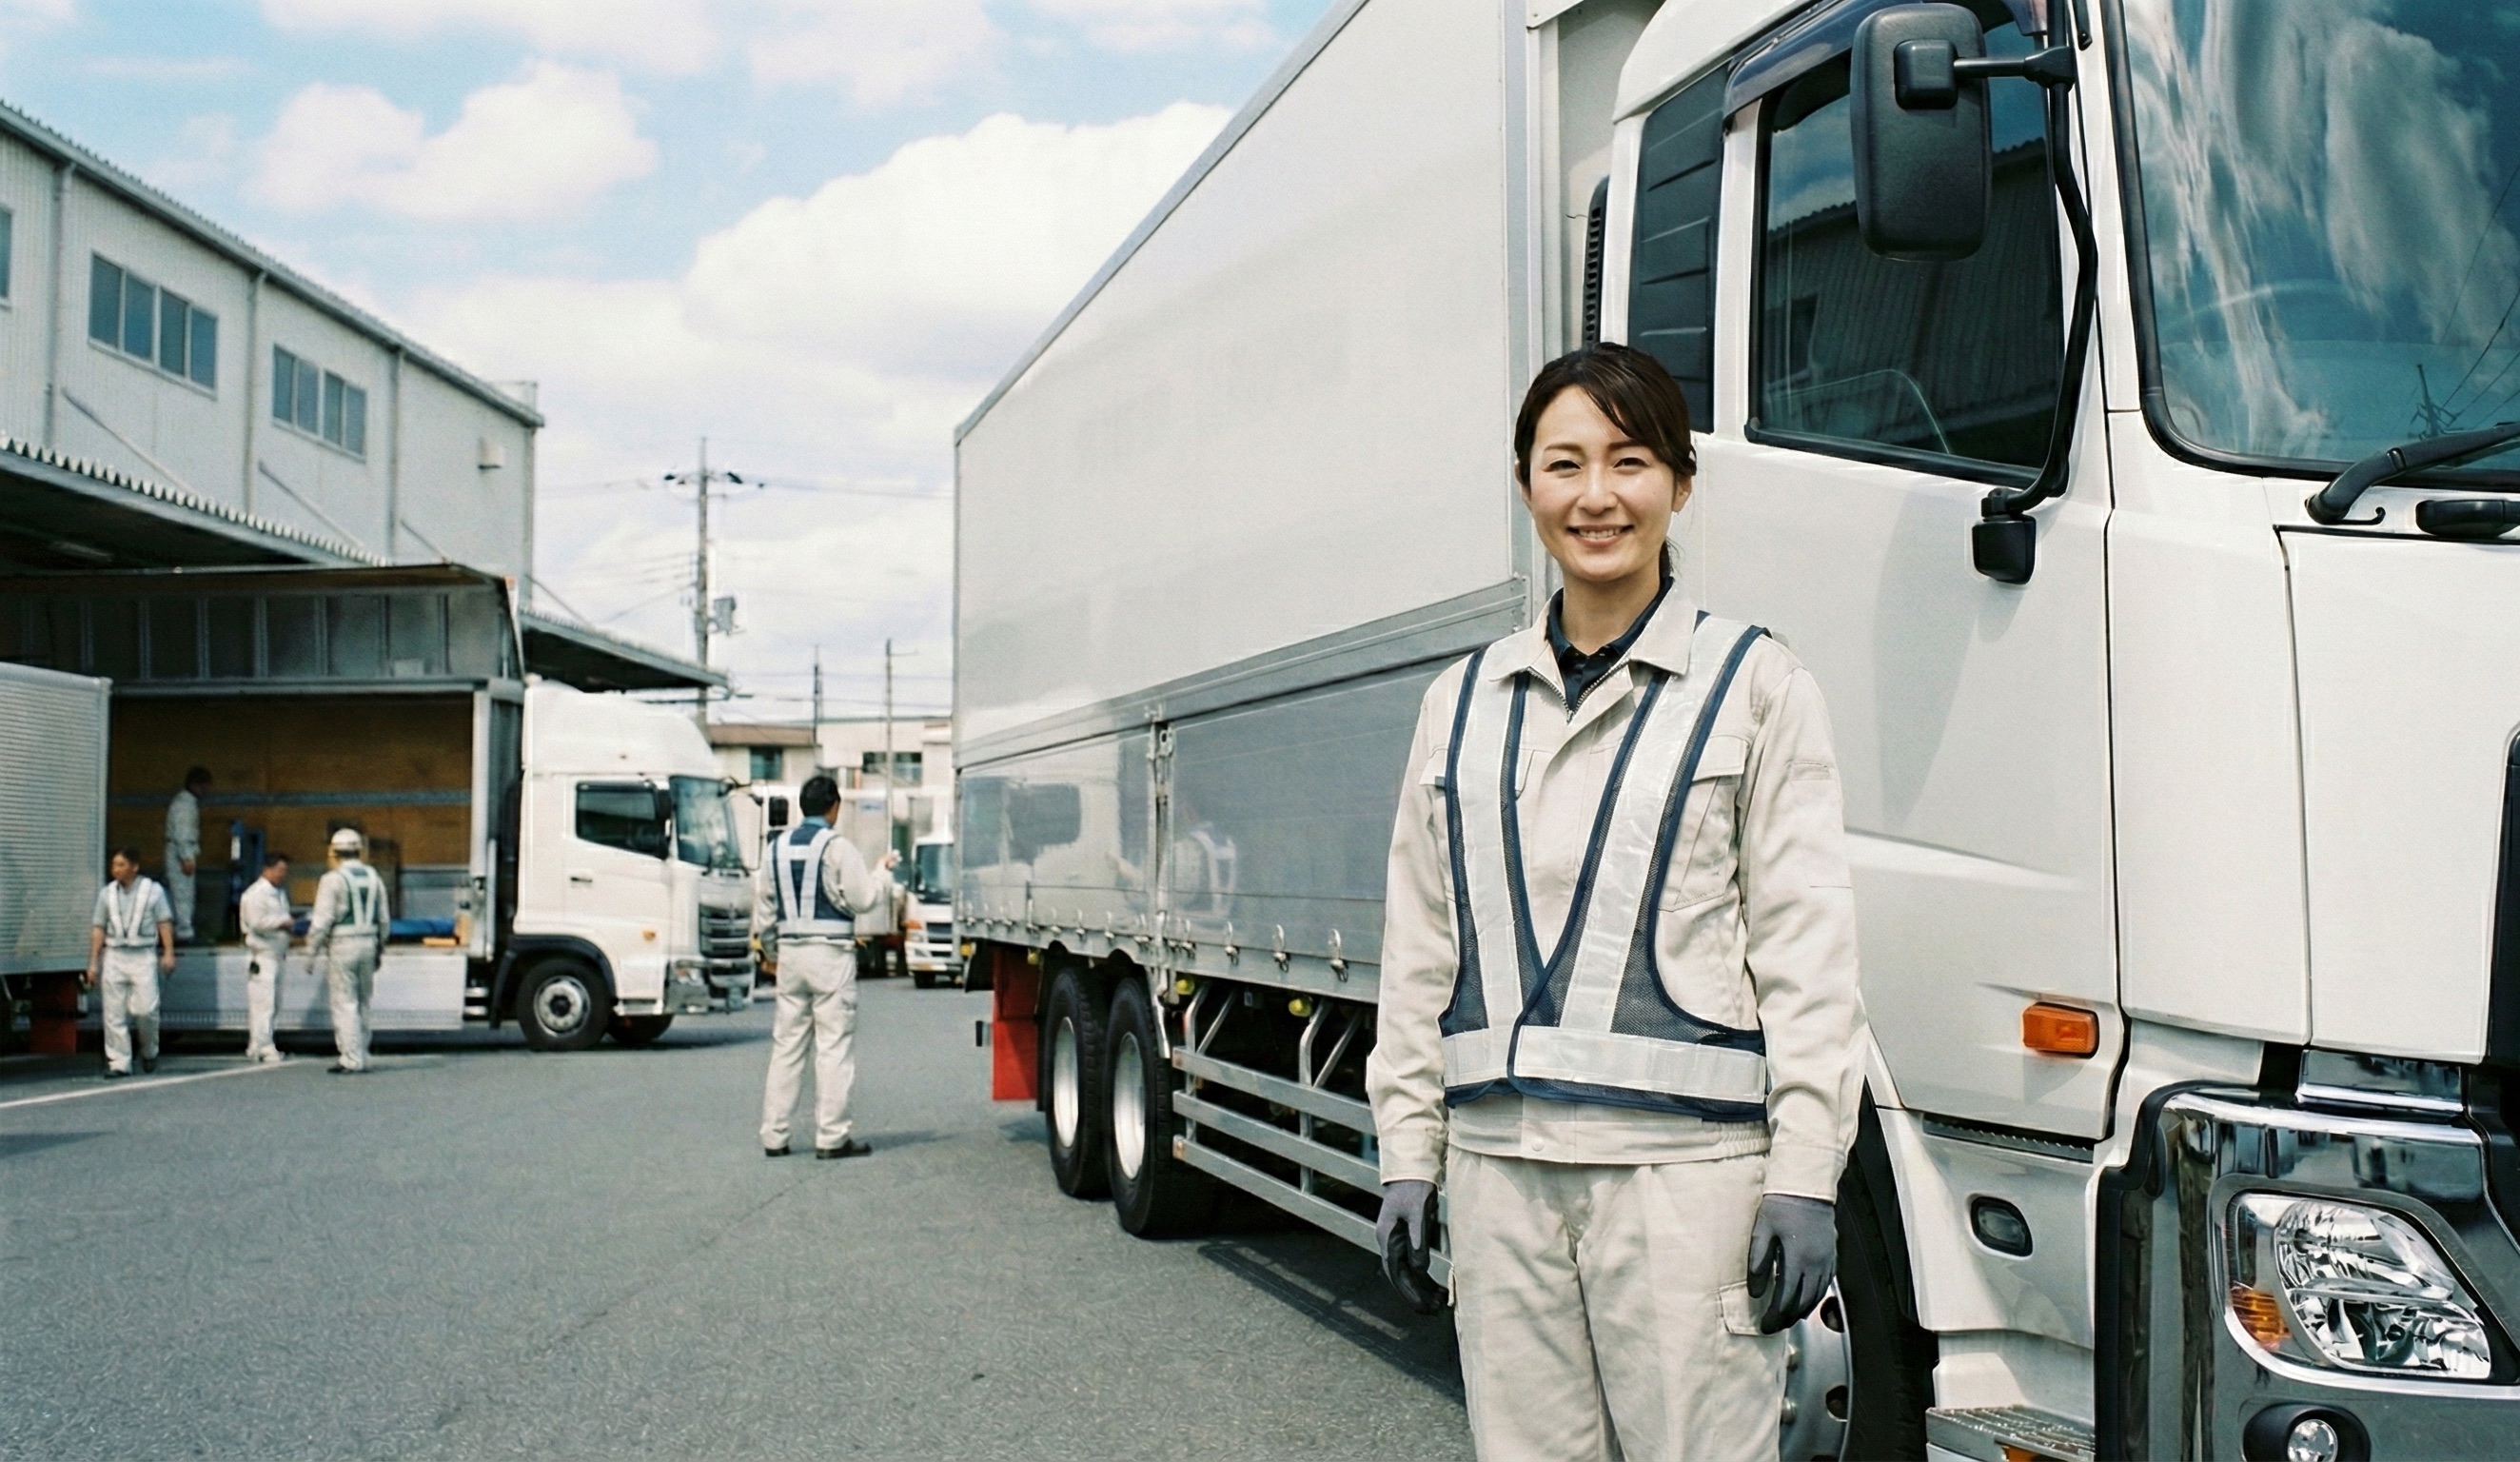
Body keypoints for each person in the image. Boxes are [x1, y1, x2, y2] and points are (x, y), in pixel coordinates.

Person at [1366, 343, 1864, 1462]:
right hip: (1501, 1181)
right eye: (1564, 464)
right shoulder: (1459, 702)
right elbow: (1418, 951)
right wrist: (1408, 1154)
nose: (1596, 497)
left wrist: (1803, 1175)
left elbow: (1807, 946)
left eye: (1629, 462)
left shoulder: (1756, 687)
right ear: (1525, 485)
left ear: (1679, 485)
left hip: (1683, 1188)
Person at [756, 774, 896, 1159]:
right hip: (830, 956)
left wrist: (771, 953)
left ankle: (775, 1136)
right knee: (833, 1046)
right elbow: (864, 898)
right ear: (833, 807)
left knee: (787, 1046)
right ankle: (831, 1137)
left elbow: (765, 913)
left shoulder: (775, 849)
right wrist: (882, 872)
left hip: (790, 955)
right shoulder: (838, 848)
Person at [86, 847, 175, 1079]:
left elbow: (164, 922)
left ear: (134, 867)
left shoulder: (153, 891)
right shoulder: (107, 894)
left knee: (146, 1010)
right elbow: (98, 928)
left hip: (143, 954)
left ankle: (149, 1050)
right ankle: (118, 1062)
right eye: (114, 865)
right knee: (113, 1013)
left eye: (121, 865)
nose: (116, 870)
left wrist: (168, 953)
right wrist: (93, 963)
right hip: (115, 955)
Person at [307, 828, 389, 1075]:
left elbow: (322, 920)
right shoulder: (374, 876)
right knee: (364, 1001)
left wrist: (311, 950)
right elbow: (384, 919)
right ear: (359, 850)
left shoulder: (332, 879)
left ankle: (351, 1057)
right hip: (369, 942)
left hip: (343, 945)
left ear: (334, 852)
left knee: (345, 1002)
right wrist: (380, 947)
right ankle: (363, 1052)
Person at [238, 851, 295, 1064]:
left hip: (277, 954)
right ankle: (264, 1046)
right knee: (264, 1002)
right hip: (262, 956)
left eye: (285, 871)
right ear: (267, 869)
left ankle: (257, 1044)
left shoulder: (278, 893)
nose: (282, 875)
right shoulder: (255, 894)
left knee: (273, 1002)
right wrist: (282, 922)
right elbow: (256, 923)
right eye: (280, 870)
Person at [165, 766, 210, 943]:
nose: (205, 791)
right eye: (204, 786)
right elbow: (183, 834)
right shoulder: (185, 805)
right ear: (195, 785)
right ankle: (184, 933)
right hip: (180, 852)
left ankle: (180, 930)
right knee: (183, 893)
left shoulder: (184, 803)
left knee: (179, 892)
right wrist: (186, 857)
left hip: (178, 850)